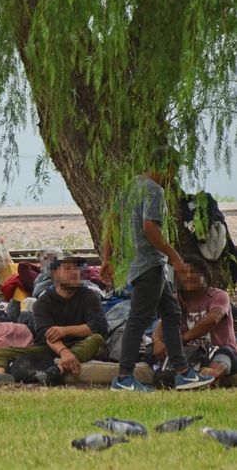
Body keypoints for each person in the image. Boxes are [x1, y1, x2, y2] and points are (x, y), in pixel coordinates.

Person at [102, 158, 214, 392]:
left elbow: (112, 223)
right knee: (138, 320)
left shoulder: (129, 187)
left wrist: (106, 258)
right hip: (149, 265)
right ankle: (124, 378)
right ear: (165, 166)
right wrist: (175, 257)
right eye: (173, 170)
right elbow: (149, 227)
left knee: (172, 313)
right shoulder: (154, 190)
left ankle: (183, 373)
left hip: (139, 265)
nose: (172, 176)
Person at [0, 254, 108, 384]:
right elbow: (46, 334)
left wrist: (64, 331)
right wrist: (63, 351)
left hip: (81, 344)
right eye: (67, 269)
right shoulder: (43, 302)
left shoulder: (89, 296)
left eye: (77, 269)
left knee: (97, 339)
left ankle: (57, 370)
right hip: (52, 347)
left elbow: (99, 326)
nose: (74, 272)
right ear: (55, 275)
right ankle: (0, 380)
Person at [152, 256, 237, 384]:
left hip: (217, 350)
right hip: (188, 353)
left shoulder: (219, 295)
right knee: (153, 352)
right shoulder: (175, 300)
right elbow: (161, 327)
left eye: (194, 272)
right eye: (184, 273)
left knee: (225, 355)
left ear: (205, 276)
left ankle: (211, 375)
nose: (189, 276)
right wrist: (157, 342)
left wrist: (181, 340)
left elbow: (213, 320)